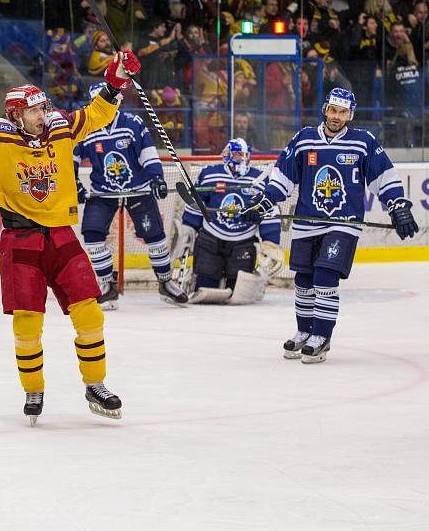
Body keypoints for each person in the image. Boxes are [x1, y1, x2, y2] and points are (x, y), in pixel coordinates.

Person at [0, 47, 140, 424]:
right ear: (16, 115)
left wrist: (116, 79)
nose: (42, 115)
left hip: (61, 236)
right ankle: (34, 388)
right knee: (27, 321)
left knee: (89, 312)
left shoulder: (60, 128)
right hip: (20, 241)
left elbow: (96, 115)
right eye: (34, 111)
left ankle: (95, 384)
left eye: (43, 108)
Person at [242, 89, 419, 363]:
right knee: (303, 279)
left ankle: (322, 336)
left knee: (325, 276)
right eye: (333, 110)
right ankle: (304, 331)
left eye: (343, 112)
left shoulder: (363, 142)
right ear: (325, 109)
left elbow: (384, 177)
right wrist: (263, 204)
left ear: (350, 114)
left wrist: (397, 205)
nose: (337, 116)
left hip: (342, 224)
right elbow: (283, 178)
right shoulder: (303, 139)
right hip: (306, 223)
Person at [73, 81, 187, 311]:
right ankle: (107, 286)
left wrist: (156, 177)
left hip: (138, 189)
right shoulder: (86, 127)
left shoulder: (132, 123)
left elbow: (147, 152)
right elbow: (71, 157)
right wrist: (74, 182)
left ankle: (165, 283)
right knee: (92, 237)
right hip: (102, 192)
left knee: (155, 236)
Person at [172, 138, 283, 305]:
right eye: (238, 155)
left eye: (246, 155)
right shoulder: (210, 174)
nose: (242, 159)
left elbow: (269, 210)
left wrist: (271, 242)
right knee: (205, 287)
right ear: (228, 155)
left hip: (243, 242)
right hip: (211, 238)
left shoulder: (259, 179)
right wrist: (188, 229)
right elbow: (196, 205)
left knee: (238, 295)